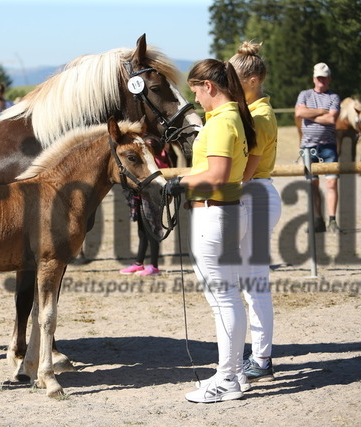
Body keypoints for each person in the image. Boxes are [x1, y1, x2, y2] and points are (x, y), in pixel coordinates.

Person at [164, 59, 256, 403]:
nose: (197, 99)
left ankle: (228, 377)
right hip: (227, 209)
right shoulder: (231, 118)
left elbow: (217, 174)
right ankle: (232, 373)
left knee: (223, 300)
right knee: (226, 298)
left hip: (215, 212)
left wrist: (181, 183)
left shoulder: (221, 123)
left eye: (196, 91)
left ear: (210, 87)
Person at [229, 41, 281, 386]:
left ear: (250, 81)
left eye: (233, 79)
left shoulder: (260, 117)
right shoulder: (252, 113)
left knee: (252, 285)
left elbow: (248, 169)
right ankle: (259, 356)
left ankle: (260, 357)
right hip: (253, 196)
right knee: (249, 284)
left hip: (253, 195)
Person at [295, 63, 341, 233]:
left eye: (324, 78)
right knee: (313, 185)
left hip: (328, 146)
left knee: (331, 183)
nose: (321, 81)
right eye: (319, 78)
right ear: (314, 78)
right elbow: (299, 114)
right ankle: (317, 219)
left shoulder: (334, 97)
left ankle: (332, 220)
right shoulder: (304, 95)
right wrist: (322, 111)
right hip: (308, 147)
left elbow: (332, 119)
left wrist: (311, 114)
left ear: (329, 79)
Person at [119, 143, 169, 276]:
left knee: (153, 231)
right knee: (142, 231)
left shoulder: (157, 161)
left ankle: (154, 266)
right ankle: (139, 263)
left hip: (151, 199)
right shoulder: (147, 160)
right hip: (139, 198)